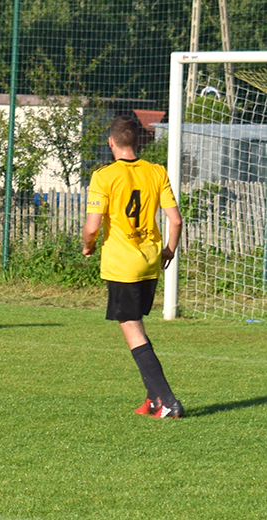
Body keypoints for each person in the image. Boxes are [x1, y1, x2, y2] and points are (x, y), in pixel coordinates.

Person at [82, 115, 184, 418]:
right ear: (138, 141)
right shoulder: (156, 172)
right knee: (136, 325)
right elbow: (175, 220)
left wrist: (88, 246)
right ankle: (153, 399)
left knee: (132, 331)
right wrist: (168, 251)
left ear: (111, 142)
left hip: (122, 265)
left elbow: (91, 227)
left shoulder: (103, 176)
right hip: (151, 262)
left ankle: (168, 400)